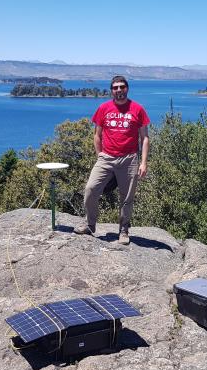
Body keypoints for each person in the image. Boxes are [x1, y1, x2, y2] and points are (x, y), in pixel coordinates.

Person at [74, 75, 150, 245]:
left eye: (121, 87)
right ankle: (90, 224)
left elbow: (144, 137)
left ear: (127, 88)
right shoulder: (104, 108)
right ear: (111, 90)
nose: (118, 90)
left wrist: (143, 162)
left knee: (126, 197)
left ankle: (123, 230)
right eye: (115, 88)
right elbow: (97, 134)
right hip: (106, 157)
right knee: (91, 189)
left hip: (129, 159)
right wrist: (100, 154)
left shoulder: (137, 109)